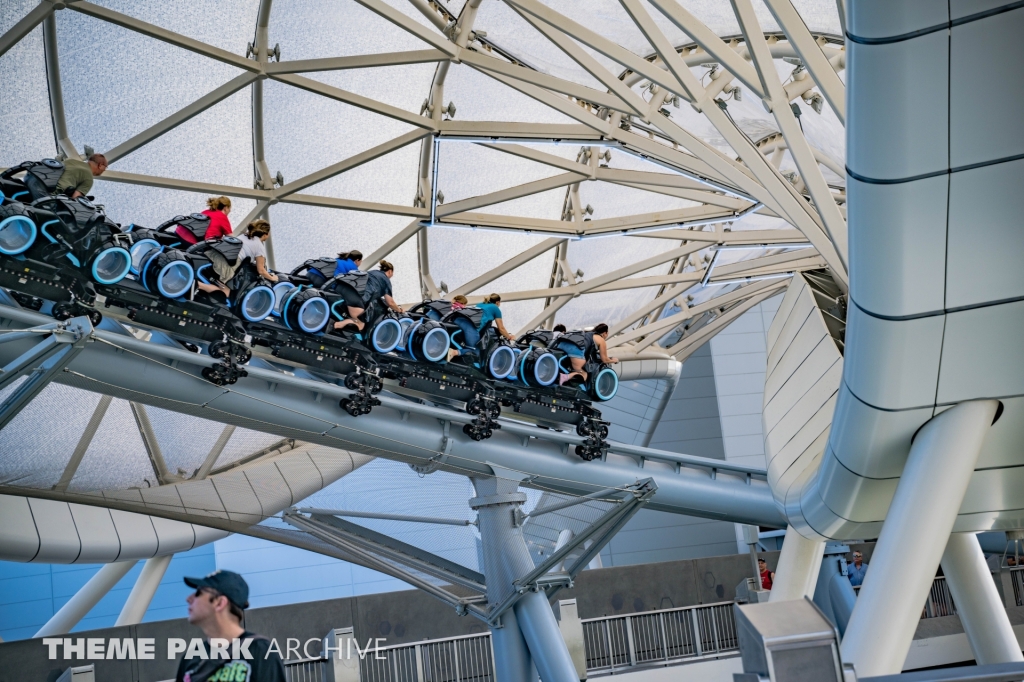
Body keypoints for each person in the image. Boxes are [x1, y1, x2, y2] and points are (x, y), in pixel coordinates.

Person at [175, 569, 285, 682]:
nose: (188, 599)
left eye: (199, 593)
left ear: (219, 603)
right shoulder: (189, 658)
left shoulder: (261, 650)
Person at [196, 219, 278, 298]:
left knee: (216, 281)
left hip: (216, 255)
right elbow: (261, 270)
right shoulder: (259, 246)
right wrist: (272, 278)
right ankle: (198, 285)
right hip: (226, 265)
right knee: (226, 292)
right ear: (265, 234)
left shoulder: (244, 235)